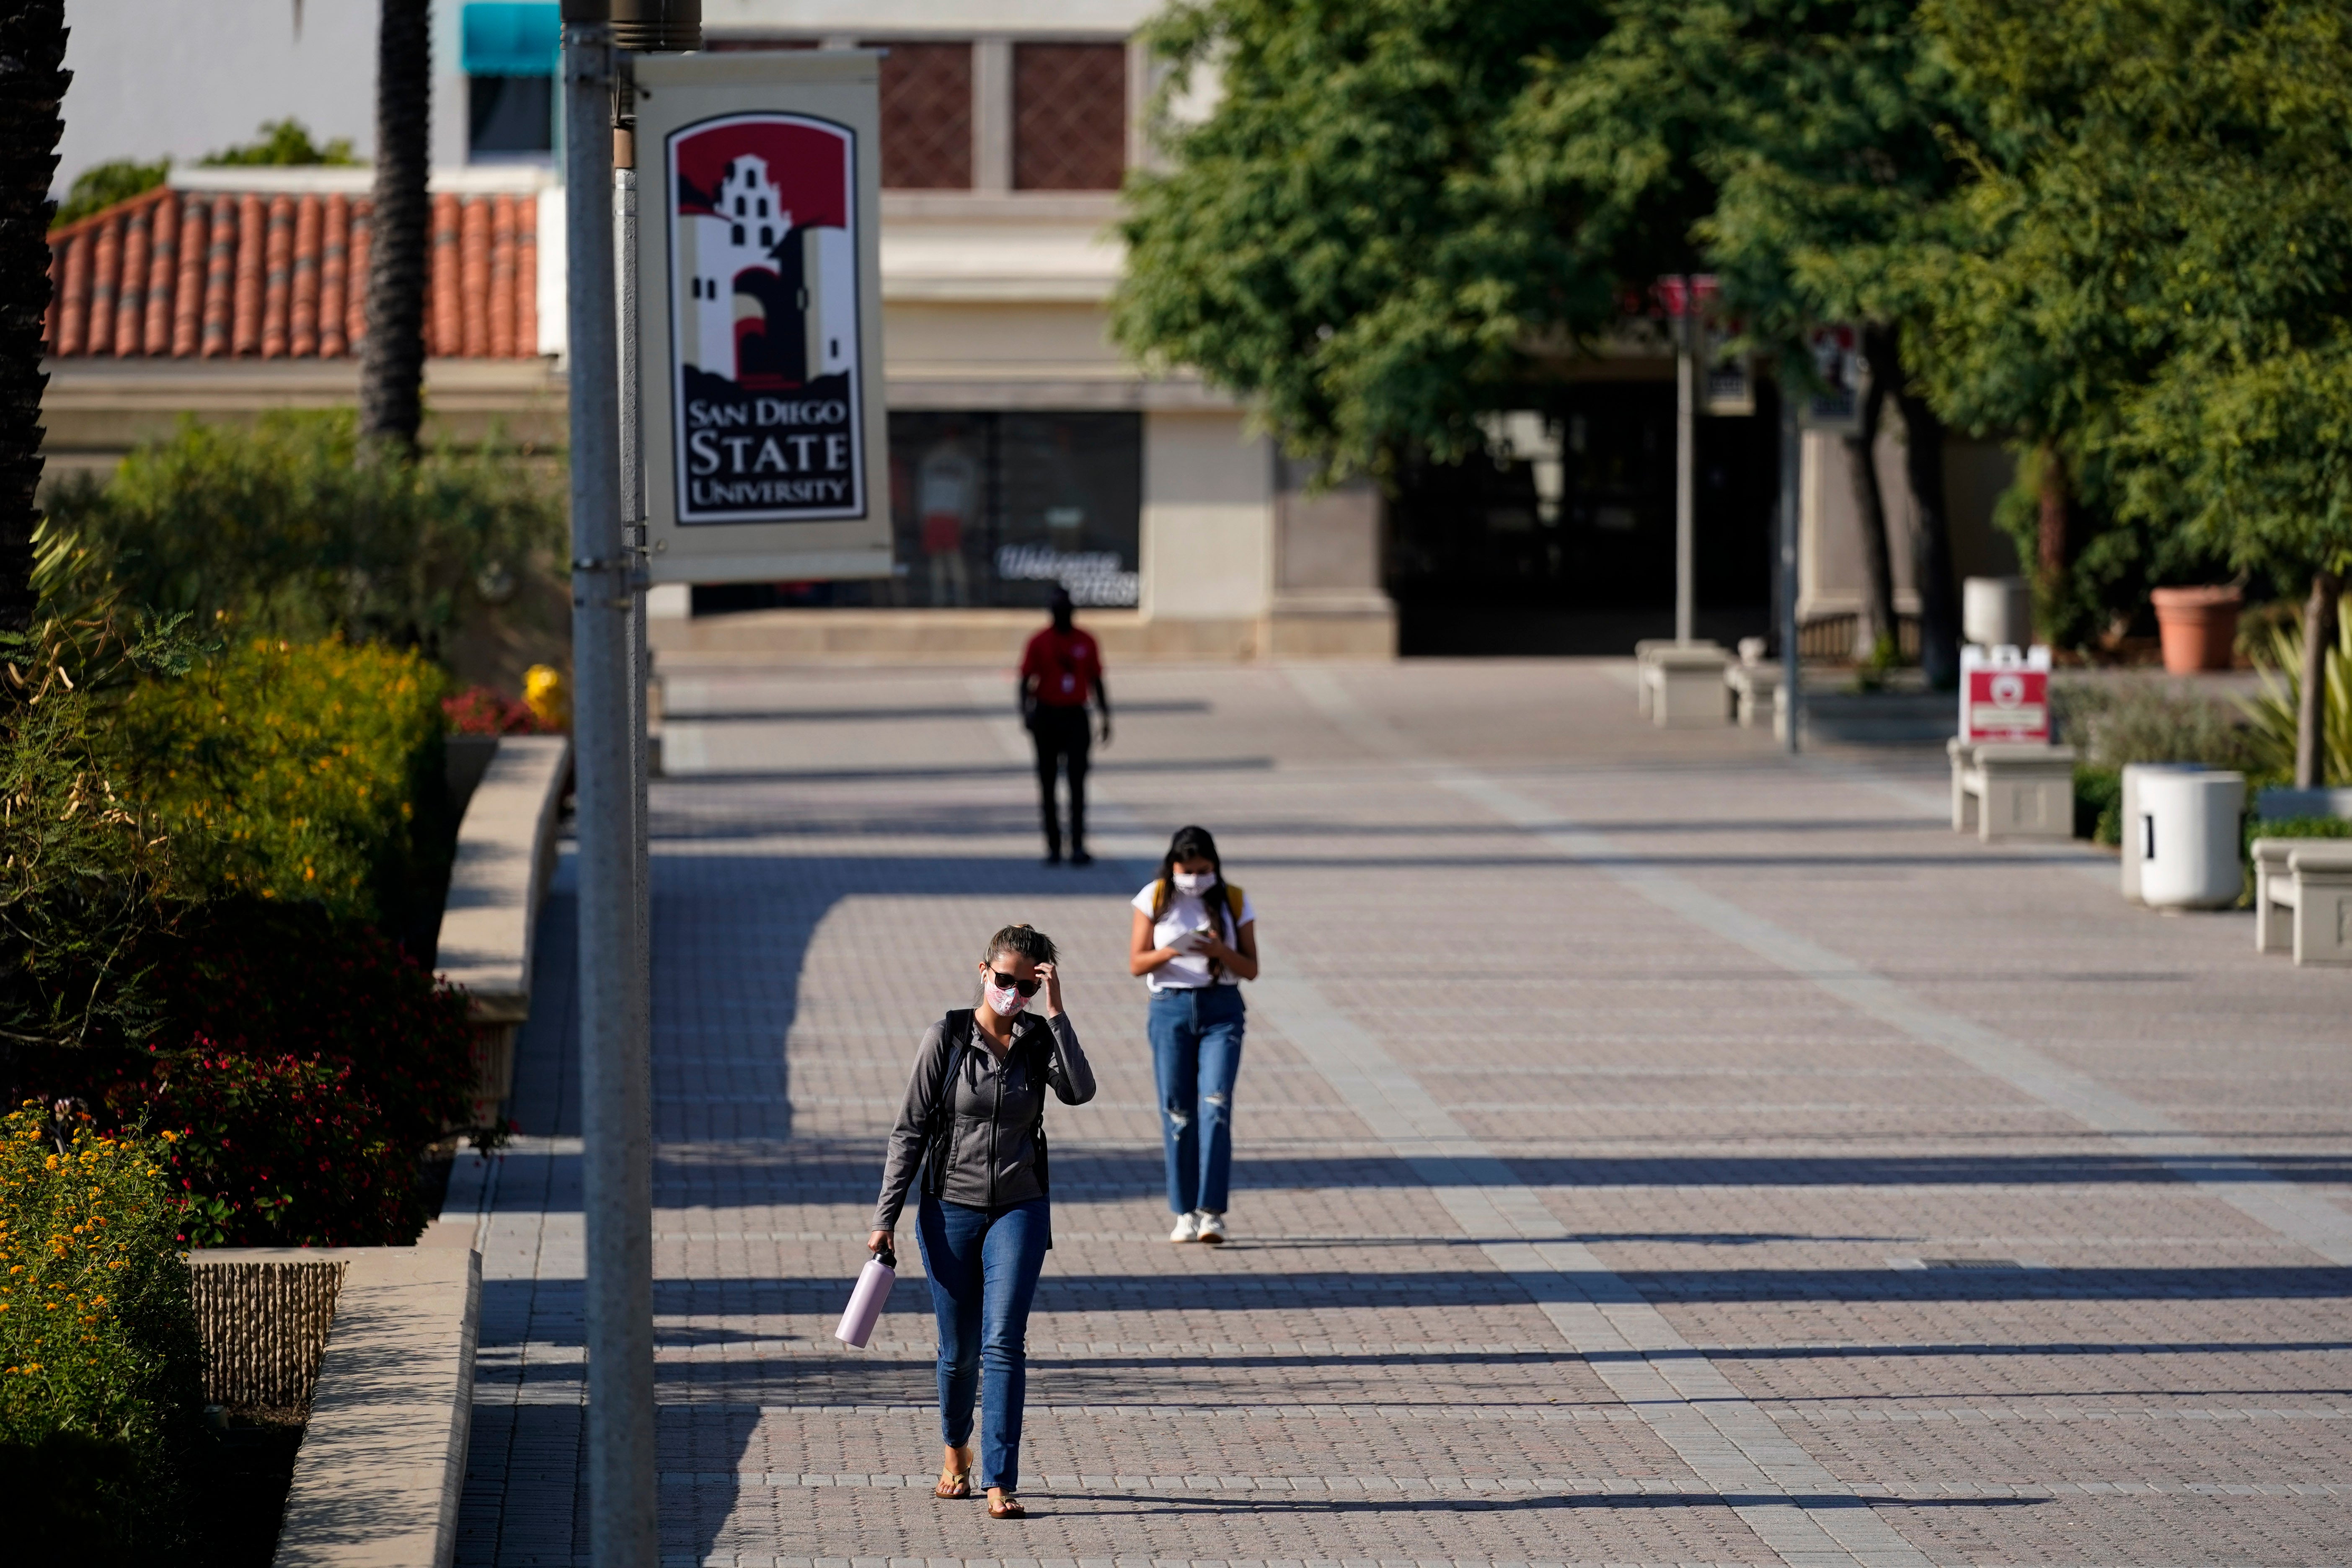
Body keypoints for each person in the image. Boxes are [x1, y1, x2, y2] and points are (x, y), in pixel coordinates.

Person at [868, 923, 1096, 1520]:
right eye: (1004, 980)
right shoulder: (944, 1037)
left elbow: (1079, 1091)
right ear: (982, 971)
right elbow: (909, 1131)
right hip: (948, 1211)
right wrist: (884, 1218)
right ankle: (954, 1448)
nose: (1012, 992)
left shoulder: (1038, 1037)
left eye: (1025, 984)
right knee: (958, 1352)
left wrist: (1057, 1011)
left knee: (1003, 1342)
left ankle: (999, 1479)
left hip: (1020, 1205)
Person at [1128, 825, 1258, 1243]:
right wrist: (1175, 948)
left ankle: (1212, 1212)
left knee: (1215, 1105)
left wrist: (1220, 951)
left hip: (1221, 1008)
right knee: (1177, 1110)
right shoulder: (1154, 896)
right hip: (1170, 1008)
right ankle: (1183, 1210)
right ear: (1173, 865)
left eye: (1205, 870)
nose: (1196, 878)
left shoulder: (1233, 897)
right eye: (1188, 870)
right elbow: (1136, 962)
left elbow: (1252, 968)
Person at [1018, 587, 1111, 865]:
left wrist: (1106, 716)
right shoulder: (1039, 641)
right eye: (1056, 609)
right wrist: (1026, 712)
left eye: (1066, 609)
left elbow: (1097, 680)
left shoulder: (1086, 641)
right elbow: (1025, 679)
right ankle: (1053, 845)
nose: (1062, 614)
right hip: (1047, 715)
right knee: (1047, 784)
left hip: (1076, 716)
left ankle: (1079, 845)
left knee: (1077, 783)